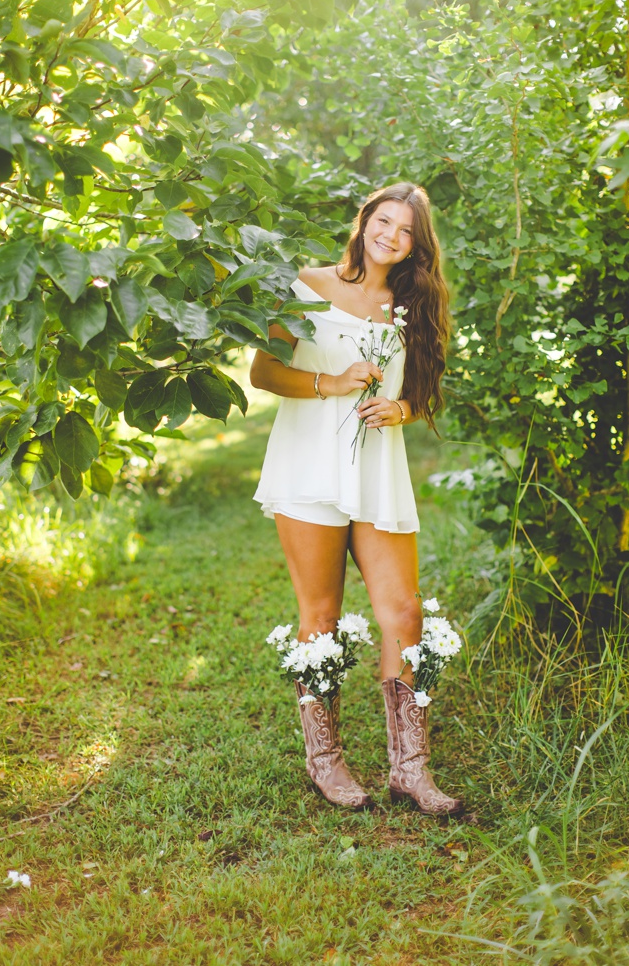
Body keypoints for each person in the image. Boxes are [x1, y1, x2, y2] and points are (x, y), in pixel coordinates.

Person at [250, 182, 463, 815]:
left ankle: (411, 769)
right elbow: (263, 373)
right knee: (320, 614)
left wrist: (402, 406)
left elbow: (424, 386)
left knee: (404, 611)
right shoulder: (307, 284)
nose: (391, 236)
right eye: (384, 221)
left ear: (415, 246)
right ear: (364, 220)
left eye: (405, 231)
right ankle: (326, 762)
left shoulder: (413, 303)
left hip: (377, 471)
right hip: (309, 465)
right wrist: (332, 382)